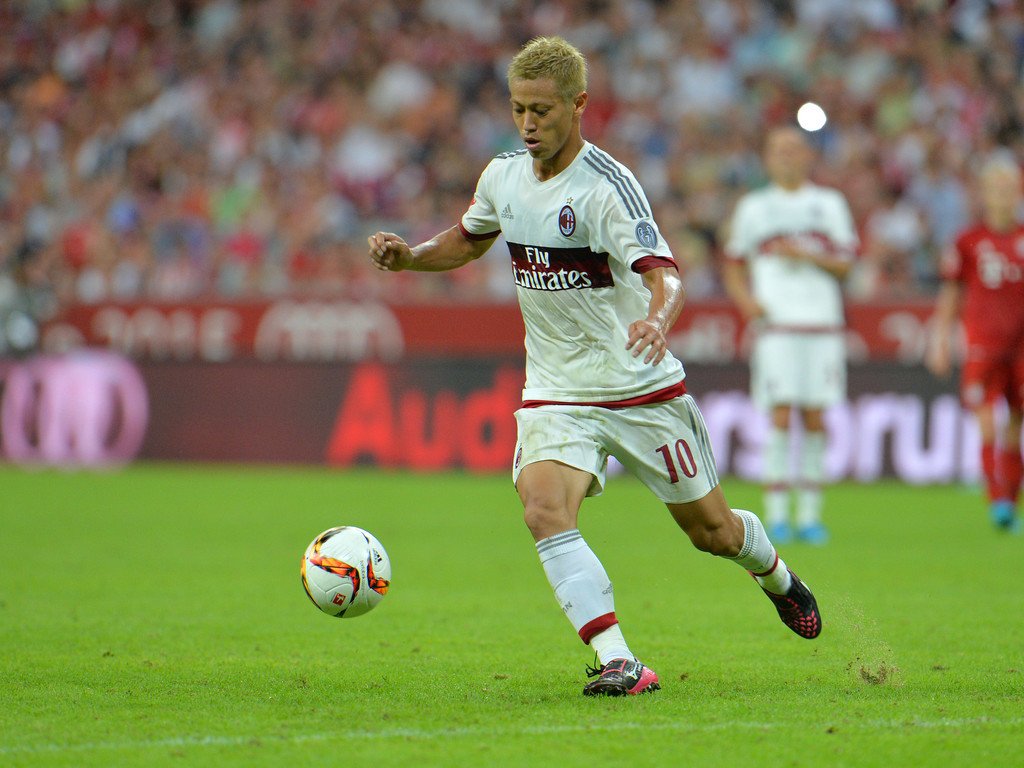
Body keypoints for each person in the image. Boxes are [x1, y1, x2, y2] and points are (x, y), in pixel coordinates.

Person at [367, 37, 821, 697]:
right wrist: (412, 257)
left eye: (542, 111)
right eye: (518, 109)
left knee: (714, 533)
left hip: (639, 386)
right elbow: (468, 239)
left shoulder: (608, 188)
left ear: (578, 104)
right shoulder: (502, 176)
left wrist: (656, 321)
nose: (527, 124)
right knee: (543, 509)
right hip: (556, 388)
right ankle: (618, 659)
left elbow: (666, 275)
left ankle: (777, 577)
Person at [722, 127, 858, 546]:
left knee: (816, 416)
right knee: (780, 414)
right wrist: (747, 303)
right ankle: (778, 514)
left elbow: (847, 264)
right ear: (767, 158)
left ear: (807, 156)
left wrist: (808, 255)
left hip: (822, 324)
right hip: (777, 326)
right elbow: (732, 263)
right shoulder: (754, 207)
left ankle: (811, 515)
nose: (786, 157)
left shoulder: (829, 204)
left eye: (794, 150)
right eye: (779, 150)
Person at [927, 155, 1024, 533]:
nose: (1002, 195)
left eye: (1009, 188)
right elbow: (951, 294)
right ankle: (997, 497)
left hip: (1021, 346)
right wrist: (940, 339)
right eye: (996, 188)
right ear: (984, 194)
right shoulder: (968, 241)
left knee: (1015, 423)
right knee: (987, 421)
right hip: (984, 343)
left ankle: (1010, 502)